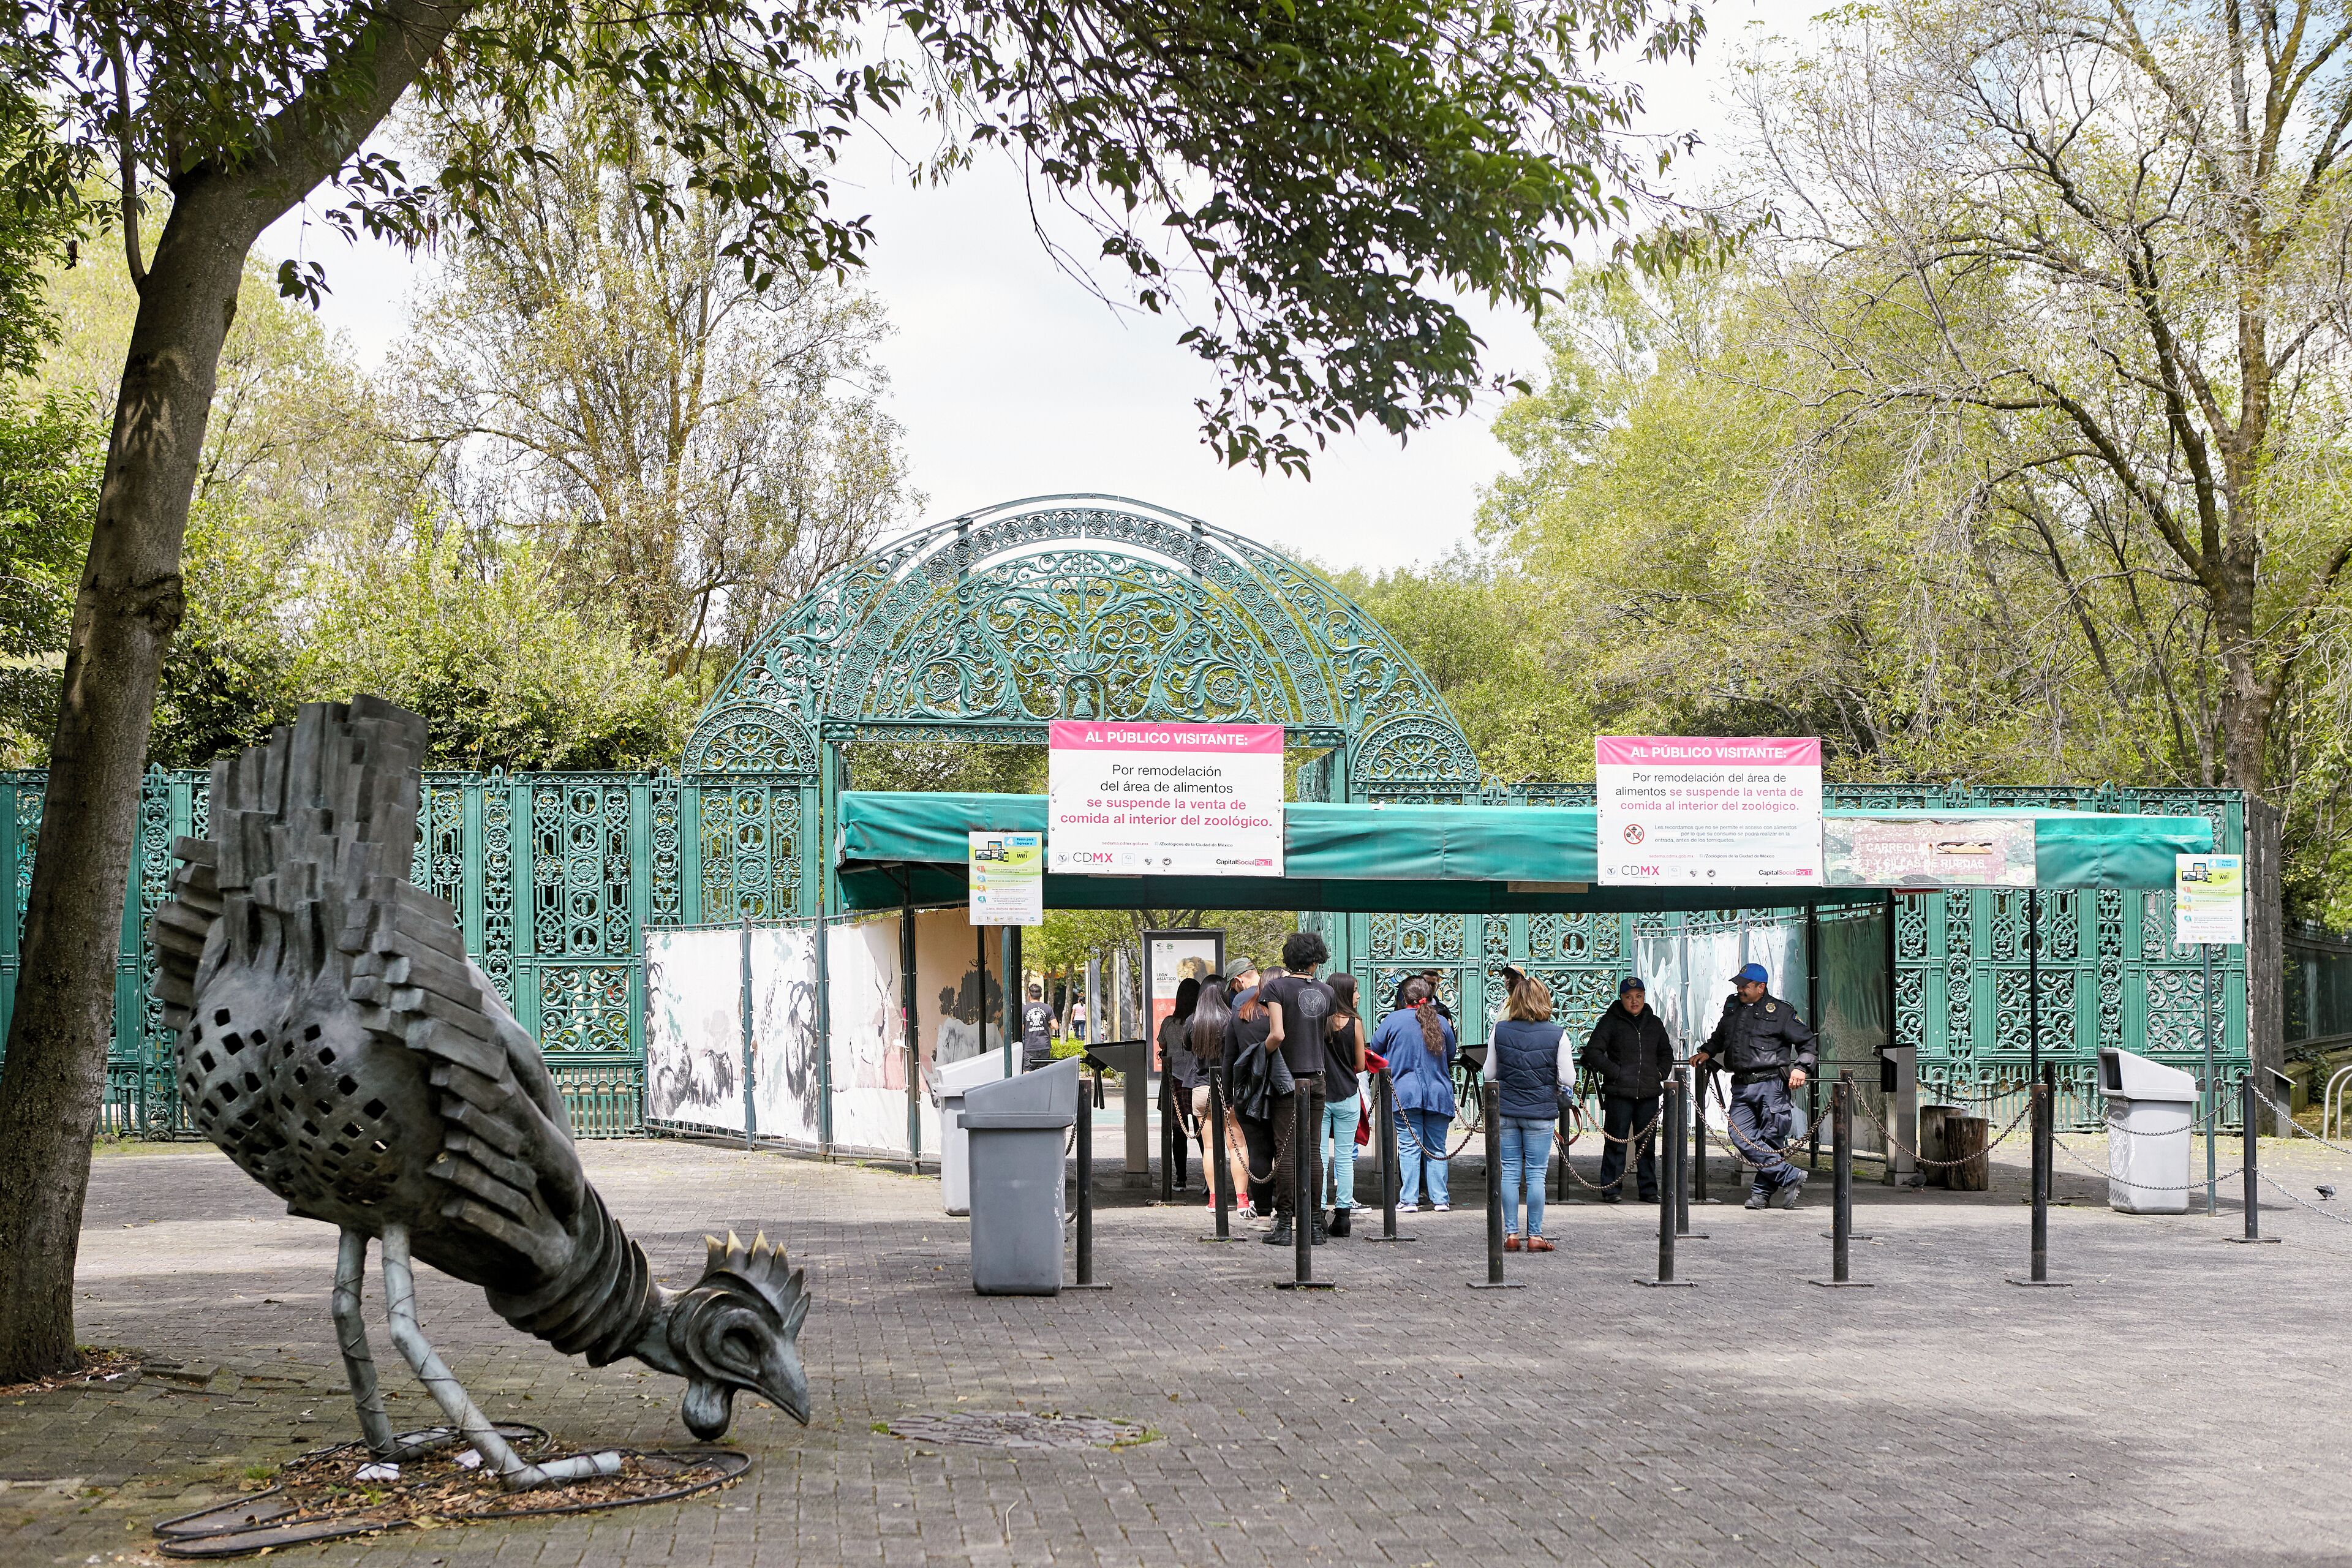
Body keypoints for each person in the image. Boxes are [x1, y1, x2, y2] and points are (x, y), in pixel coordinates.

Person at [1693, 962, 1816, 1210]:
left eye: (1745, 985)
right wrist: (1707, 1051)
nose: (1740, 989)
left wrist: (1802, 1068)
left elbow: (1808, 1042)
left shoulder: (1781, 1012)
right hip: (1742, 1085)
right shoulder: (1732, 1006)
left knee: (1771, 1140)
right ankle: (1789, 1176)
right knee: (1738, 1135)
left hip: (1771, 1084)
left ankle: (1761, 1195)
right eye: (1738, 984)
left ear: (1761, 987)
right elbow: (1721, 1036)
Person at [1259, 932, 1337, 1247]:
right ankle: (1315, 1224)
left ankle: (1284, 1225)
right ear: (1315, 961)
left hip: (1286, 1079)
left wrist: (1260, 1052)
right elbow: (1327, 1033)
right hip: (1317, 1078)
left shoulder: (1276, 987)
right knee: (1313, 1149)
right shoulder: (1327, 991)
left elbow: (1277, 1034)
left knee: (1287, 1152)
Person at [1488, 973, 1565, 1251]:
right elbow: (1567, 1077)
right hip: (1540, 1111)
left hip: (1507, 1109)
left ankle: (1510, 1235)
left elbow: (1489, 1072)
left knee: (1509, 1172)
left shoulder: (1501, 1030)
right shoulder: (1557, 1033)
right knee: (1536, 1174)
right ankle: (1535, 1235)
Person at [1580, 976, 1673, 1204]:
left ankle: (1649, 1190)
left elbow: (1666, 1053)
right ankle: (1611, 1188)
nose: (1634, 1002)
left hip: (1648, 1093)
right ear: (1621, 999)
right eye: (1629, 997)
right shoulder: (1610, 1021)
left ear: (1644, 997)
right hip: (1619, 1093)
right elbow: (1593, 1052)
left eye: (1638, 997)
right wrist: (1616, 1073)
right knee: (1616, 1143)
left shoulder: (1654, 1023)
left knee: (1647, 1145)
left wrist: (1660, 1074)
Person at [1372, 977, 1457, 1210]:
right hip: (1439, 1092)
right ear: (1429, 998)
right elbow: (1451, 1054)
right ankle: (1440, 1199)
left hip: (1405, 1093)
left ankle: (1409, 1198)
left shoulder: (1393, 1020)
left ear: (1404, 998)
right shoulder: (1441, 1022)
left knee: (1409, 1147)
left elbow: (1376, 1049)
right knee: (1437, 1147)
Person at [1219, 958, 1282, 1220]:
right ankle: (1287, 1207)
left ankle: (1264, 1210)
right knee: (1284, 1150)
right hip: (1281, 1088)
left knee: (1257, 1151)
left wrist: (1227, 1093)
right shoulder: (1280, 1015)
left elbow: (1228, 1058)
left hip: (1248, 1090)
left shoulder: (1241, 1014)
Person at [1188, 974, 1254, 1215]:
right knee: (1237, 1145)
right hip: (1228, 1089)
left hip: (1201, 1088)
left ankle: (1215, 1200)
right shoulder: (1231, 1019)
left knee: (1209, 1147)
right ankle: (1242, 1200)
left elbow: (1188, 1046)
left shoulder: (1194, 1021)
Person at [1318, 973, 1368, 1237]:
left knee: (1319, 1156)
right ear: (1345, 993)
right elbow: (1360, 1064)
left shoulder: (1319, 1022)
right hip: (1348, 1094)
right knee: (1345, 1159)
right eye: (1356, 991)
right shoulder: (1355, 1023)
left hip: (1321, 1096)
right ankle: (1343, 1217)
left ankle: (1318, 1213)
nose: (1358, 996)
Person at [1157, 977, 1202, 1189]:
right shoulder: (1199, 1020)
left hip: (1173, 1078)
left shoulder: (1168, 1022)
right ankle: (1208, 1182)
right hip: (1196, 1078)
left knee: (1178, 1131)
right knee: (1202, 1129)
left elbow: (1162, 1043)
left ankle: (1181, 1179)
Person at [1020, 985, 1057, 1072]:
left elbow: (1021, 1029)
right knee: (1043, 1072)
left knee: (1028, 1071)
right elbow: (1056, 1026)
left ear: (1029, 995)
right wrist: (1047, 1023)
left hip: (1030, 1046)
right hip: (1045, 1045)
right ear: (1041, 995)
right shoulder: (1047, 1008)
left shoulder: (1024, 1009)